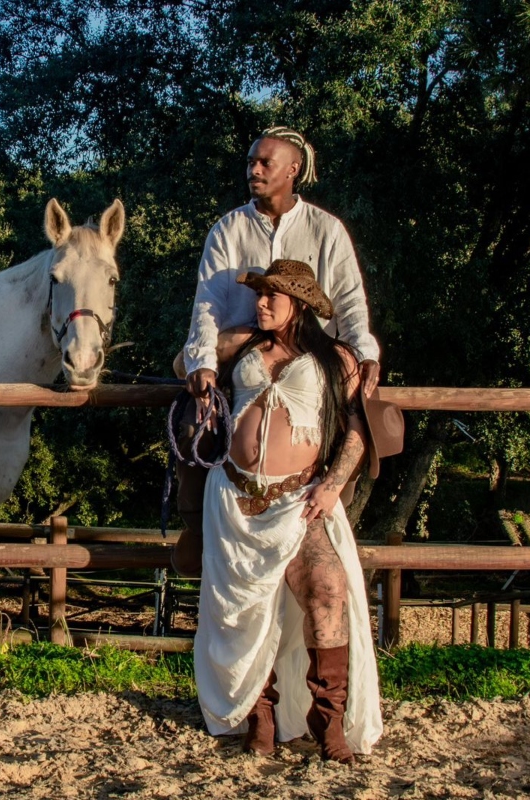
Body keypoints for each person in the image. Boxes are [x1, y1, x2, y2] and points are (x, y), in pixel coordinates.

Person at [193, 259, 382, 762]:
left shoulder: (335, 358)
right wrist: (202, 367)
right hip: (234, 497)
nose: (260, 303)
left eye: (270, 296)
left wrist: (334, 485)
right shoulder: (243, 345)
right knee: (245, 612)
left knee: (326, 588)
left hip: (299, 498)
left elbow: (360, 428)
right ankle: (260, 717)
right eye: (258, 295)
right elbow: (185, 362)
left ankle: (329, 724)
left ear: (297, 303)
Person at [172, 126, 380, 576]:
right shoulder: (228, 227)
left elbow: (349, 299)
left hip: (312, 355)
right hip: (243, 348)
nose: (255, 170)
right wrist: (205, 362)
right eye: (251, 162)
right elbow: (207, 303)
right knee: (192, 424)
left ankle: (327, 514)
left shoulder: (326, 229)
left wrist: (363, 353)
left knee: (352, 419)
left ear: (294, 170)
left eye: (265, 162)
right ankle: (197, 527)